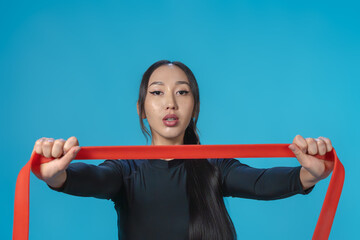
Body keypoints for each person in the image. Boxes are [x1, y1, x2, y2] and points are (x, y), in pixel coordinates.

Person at [32, 60, 334, 240]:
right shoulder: (124, 170)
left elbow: (260, 181)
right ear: (141, 109)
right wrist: (57, 175)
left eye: (182, 92)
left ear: (195, 107)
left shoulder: (214, 165)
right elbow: (93, 179)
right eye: (157, 92)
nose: (170, 103)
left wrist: (309, 174)